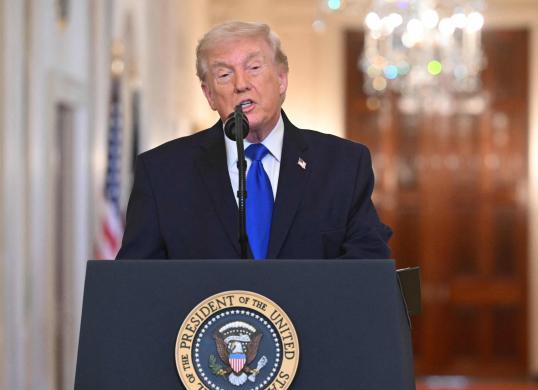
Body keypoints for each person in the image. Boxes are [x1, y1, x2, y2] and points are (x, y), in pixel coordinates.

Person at [116, 21, 391, 260]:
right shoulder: (162, 172)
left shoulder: (342, 165)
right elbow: (136, 284)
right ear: (209, 95)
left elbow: (367, 268)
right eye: (224, 74)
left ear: (281, 80)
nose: (241, 84)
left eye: (254, 68)